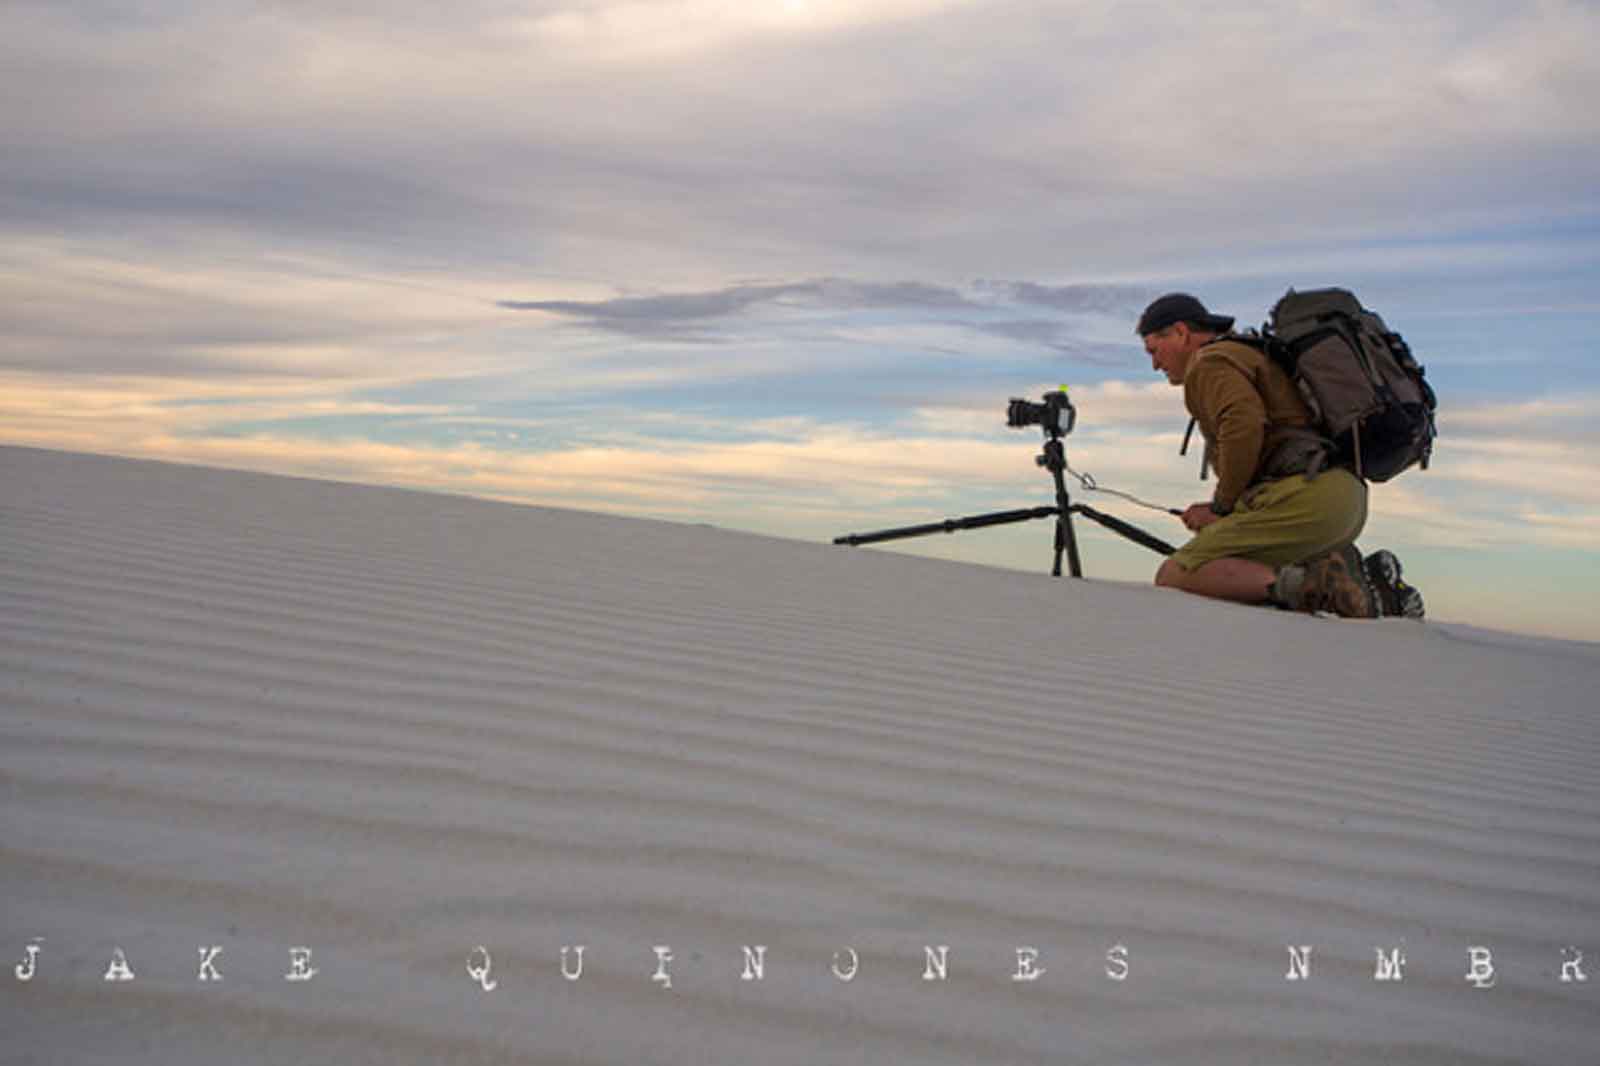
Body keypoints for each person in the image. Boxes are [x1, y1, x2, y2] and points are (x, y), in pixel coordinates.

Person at [1137, 292, 1424, 619]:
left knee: (1178, 574)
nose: (1155, 364)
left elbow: (1242, 425)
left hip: (1307, 499)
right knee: (1244, 567)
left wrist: (1221, 507)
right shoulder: (1250, 353)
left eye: (1154, 350)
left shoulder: (1210, 362)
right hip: (1342, 501)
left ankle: (1327, 589)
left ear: (1180, 333)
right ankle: (1373, 587)